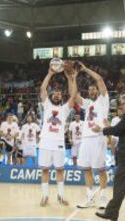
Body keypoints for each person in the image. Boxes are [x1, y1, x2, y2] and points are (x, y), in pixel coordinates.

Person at [38, 66, 77, 207]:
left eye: (59, 94)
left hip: (59, 143)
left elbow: (73, 95)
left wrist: (69, 78)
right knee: (45, 170)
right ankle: (45, 196)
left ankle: (60, 196)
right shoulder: (47, 106)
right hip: (45, 142)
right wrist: (49, 73)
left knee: (60, 170)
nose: (56, 95)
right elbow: (43, 89)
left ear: (61, 98)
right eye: (54, 93)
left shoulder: (65, 109)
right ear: (51, 96)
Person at [76, 62, 110, 209]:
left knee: (101, 170)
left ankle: (103, 198)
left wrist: (85, 70)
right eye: (89, 90)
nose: (92, 91)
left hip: (98, 137)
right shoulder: (87, 103)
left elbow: (100, 80)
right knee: (86, 169)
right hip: (86, 139)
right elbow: (75, 96)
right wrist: (73, 75)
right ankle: (90, 198)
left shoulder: (103, 100)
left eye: (94, 89)